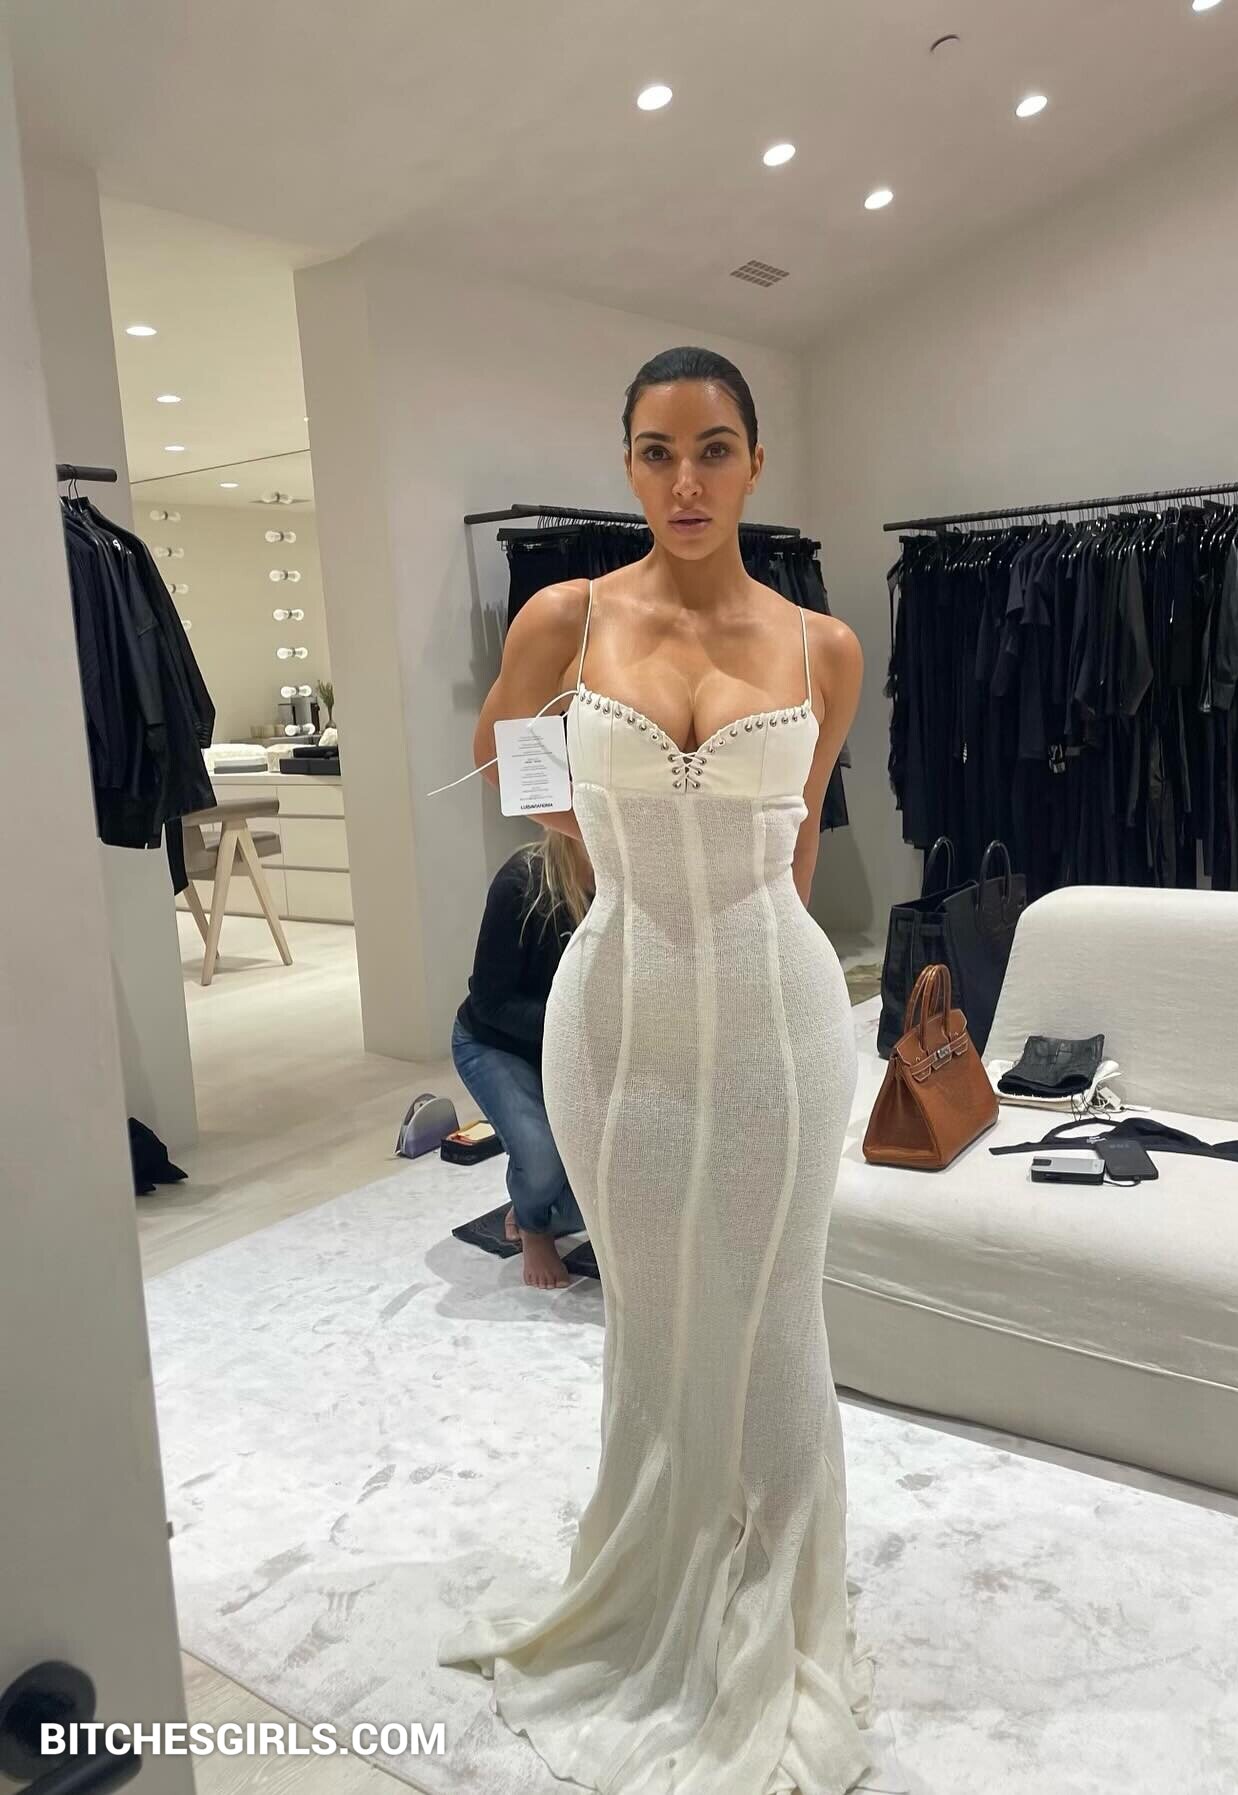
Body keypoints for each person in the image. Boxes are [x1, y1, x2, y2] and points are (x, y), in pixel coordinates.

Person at [439, 347, 882, 1793]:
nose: (685, 480)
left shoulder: (822, 647)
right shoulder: (563, 618)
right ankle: (658, 1580)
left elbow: (797, 844)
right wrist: (607, 852)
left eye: (713, 449)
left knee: (774, 1316)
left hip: (776, 1012)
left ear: (756, 460)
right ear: (627, 463)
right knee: (649, 1311)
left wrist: (759, 962)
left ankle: (774, 1598)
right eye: (655, 451)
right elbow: (512, 770)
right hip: (616, 1005)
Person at [451, 832, 595, 1289]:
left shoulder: (632, 882)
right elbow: (490, 1001)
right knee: (541, 1156)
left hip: (572, 1047)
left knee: (626, 1172)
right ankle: (534, 1228)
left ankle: (535, 1206)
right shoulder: (522, 882)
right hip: (496, 1044)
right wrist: (574, 1023)